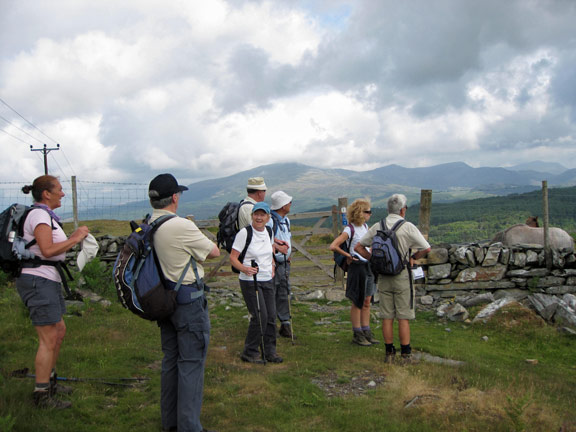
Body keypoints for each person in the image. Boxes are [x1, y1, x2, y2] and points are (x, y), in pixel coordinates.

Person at [148, 173, 220, 432]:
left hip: (163, 300)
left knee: (171, 362)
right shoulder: (180, 225)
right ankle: (189, 427)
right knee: (191, 364)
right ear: (175, 198)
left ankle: (170, 423)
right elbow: (213, 251)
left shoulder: (149, 223)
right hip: (187, 302)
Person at [16, 175, 90, 409]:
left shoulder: (46, 216)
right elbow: (47, 249)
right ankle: (41, 395)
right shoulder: (39, 215)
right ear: (46, 194)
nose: (63, 193)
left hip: (47, 279)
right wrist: (76, 238)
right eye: (59, 189)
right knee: (48, 338)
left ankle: (50, 381)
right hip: (38, 280)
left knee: (58, 330)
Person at [355, 194, 430, 364]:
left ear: (388, 209)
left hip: (383, 276)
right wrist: (414, 257)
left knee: (387, 316)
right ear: (403, 210)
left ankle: (389, 354)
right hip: (402, 274)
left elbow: (359, 247)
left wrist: (372, 260)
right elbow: (427, 248)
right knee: (403, 316)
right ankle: (406, 355)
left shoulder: (377, 226)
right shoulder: (407, 226)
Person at [230, 202, 283, 364]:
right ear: (252, 215)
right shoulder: (244, 233)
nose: (259, 217)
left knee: (271, 316)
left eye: (262, 215)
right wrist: (244, 269)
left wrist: (273, 265)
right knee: (260, 316)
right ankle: (250, 352)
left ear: (268, 217)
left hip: (267, 278)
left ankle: (269, 351)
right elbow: (233, 257)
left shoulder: (268, 231)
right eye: (256, 214)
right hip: (250, 281)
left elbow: (270, 250)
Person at [329, 199, 378, 346]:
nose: (370, 214)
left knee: (367, 300)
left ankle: (366, 330)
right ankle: (357, 332)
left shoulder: (365, 226)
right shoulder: (349, 229)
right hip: (357, 267)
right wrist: (348, 256)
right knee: (357, 300)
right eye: (367, 211)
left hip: (368, 265)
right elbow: (333, 246)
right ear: (359, 213)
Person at [269, 191, 293, 339]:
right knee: (273, 292)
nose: (291, 204)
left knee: (284, 291)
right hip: (275, 264)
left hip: (284, 262)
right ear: (283, 206)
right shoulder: (271, 221)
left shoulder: (286, 220)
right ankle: (272, 325)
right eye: (289, 202)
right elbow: (265, 240)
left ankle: (285, 324)